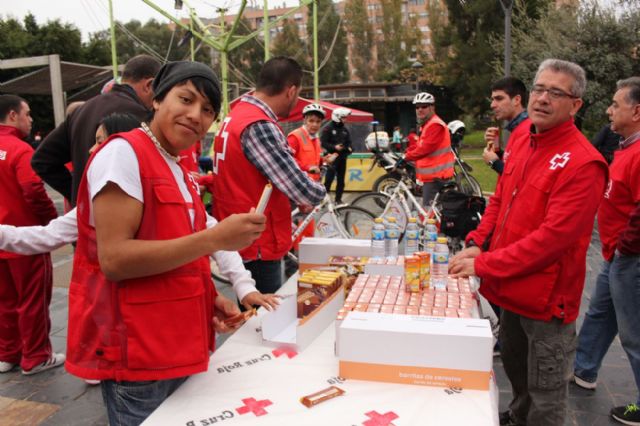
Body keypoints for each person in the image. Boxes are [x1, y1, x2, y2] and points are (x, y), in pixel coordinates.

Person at [65, 61, 268, 425]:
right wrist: (216, 238)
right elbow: (115, 259)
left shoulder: (176, 166)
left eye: (207, 110)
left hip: (175, 348)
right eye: (185, 99)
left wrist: (210, 300)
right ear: (157, 99)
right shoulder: (122, 154)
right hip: (141, 359)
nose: (195, 116)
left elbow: (173, 248)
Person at [449, 59, 608, 425]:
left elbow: (552, 241)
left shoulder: (584, 163)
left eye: (557, 92)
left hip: (546, 305)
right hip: (510, 293)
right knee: (518, 381)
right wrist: (479, 242)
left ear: (576, 104)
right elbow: (502, 198)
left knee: (546, 398)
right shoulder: (524, 139)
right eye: (539, 89)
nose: (543, 99)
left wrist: (485, 263)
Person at [211, 57, 326, 295]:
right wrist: (319, 191)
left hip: (239, 232)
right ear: (291, 90)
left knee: (252, 316)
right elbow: (301, 189)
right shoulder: (258, 125)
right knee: (266, 321)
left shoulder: (236, 115)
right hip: (259, 241)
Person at [572, 77, 640, 426]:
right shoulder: (626, 146)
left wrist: (626, 247)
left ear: (637, 111)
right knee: (600, 312)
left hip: (630, 257)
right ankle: (584, 368)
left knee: (634, 333)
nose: (609, 110)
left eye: (616, 104)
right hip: (615, 253)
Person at [32, 54, 161, 206]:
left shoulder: (82, 109)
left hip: (85, 215)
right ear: (149, 85)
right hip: (121, 216)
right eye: (159, 91)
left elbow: (42, 160)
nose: (157, 101)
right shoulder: (141, 116)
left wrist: (77, 194)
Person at [0, 95, 63, 375]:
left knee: (4, 301)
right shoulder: (20, 149)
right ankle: (36, 355)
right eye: (27, 114)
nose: (30, 119)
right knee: (33, 302)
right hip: (26, 240)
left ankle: (8, 354)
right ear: (13, 115)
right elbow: (34, 190)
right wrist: (51, 223)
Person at [403, 92, 454, 206]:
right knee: (435, 212)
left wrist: (405, 157)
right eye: (417, 107)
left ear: (432, 107)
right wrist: (407, 152)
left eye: (424, 106)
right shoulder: (427, 124)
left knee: (429, 215)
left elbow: (425, 149)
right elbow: (420, 145)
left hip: (436, 177)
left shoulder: (435, 125)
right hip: (432, 177)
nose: (420, 109)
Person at [482, 77, 530, 176]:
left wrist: (494, 162)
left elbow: (521, 178)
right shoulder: (517, 128)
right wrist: (497, 149)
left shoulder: (529, 130)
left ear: (517, 100)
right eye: (493, 99)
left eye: (499, 99)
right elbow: (511, 164)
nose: (492, 105)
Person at [287, 103, 326, 181]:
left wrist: (324, 159)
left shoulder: (316, 138)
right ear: (304, 120)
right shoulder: (295, 136)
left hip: (314, 182)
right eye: (311, 121)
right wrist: (307, 167)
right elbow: (287, 158)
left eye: (318, 122)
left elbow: (315, 158)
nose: (315, 124)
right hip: (299, 182)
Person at [322, 107, 352, 204]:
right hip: (331, 158)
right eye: (343, 117)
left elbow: (349, 143)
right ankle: (323, 200)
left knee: (341, 180)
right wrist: (335, 147)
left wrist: (349, 148)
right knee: (329, 180)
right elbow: (323, 143)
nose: (345, 119)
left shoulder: (345, 129)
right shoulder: (328, 128)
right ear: (337, 117)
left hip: (342, 158)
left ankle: (338, 200)